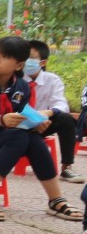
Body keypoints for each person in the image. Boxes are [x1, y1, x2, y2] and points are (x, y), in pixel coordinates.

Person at [0, 37, 82, 222]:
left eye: (5, 56)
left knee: (32, 138)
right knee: (19, 137)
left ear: (19, 65)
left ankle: (55, 199)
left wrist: (35, 123)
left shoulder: (21, 86)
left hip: (5, 140)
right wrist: (1, 120)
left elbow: (21, 115)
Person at [25, 40, 83, 183]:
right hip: (19, 123)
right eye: (24, 56)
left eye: (31, 57)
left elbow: (61, 104)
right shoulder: (15, 79)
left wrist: (47, 113)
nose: (26, 61)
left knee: (65, 119)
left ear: (43, 62)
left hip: (43, 123)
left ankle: (66, 167)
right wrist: (31, 118)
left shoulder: (52, 80)